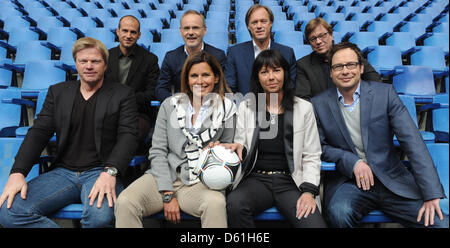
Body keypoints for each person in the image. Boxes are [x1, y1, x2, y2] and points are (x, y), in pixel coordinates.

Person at [0, 37, 139, 228]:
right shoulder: (58, 92)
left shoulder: (122, 94)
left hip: (100, 171)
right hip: (62, 173)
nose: (89, 66)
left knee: (99, 218)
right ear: (76, 64)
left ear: (105, 65)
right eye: (83, 61)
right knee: (10, 212)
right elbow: (38, 133)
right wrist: (18, 172)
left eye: (95, 61)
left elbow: (128, 135)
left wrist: (110, 171)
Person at [311, 42, 448, 228]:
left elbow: (413, 143)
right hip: (349, 183)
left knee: (440, 223)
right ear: (331, 72)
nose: (345, 71)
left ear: (360, 68)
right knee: (339, 214)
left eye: (350, 65)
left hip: (392, 180)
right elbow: (320, 147)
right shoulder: (318, 104)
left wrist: (431, 193)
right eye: (338, 67)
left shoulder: (385, 94)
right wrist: (351, 161)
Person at [115, 51, 236, 228]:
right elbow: (158, 151)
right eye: (194, 75)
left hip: (201, 182)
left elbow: (227, 148)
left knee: (215, 204)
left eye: (206, 75)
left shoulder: (227, 108)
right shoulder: (169, 105)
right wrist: (167, 193)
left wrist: (218, 149)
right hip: (164, 176)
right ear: (187, 79)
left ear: (216, 78)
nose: (200, 81)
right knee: (126, 201)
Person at [223, 49, 327, 228]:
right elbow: (242, 144)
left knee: (314, 225)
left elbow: (311, 154)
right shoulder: (247, 107)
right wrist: (238, 148)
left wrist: (309, 192)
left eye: (276, 70)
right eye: (264, 72)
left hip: (291, 182)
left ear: (285, 74)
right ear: (258, 78)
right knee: (235, 204)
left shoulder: (303, 108)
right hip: (256, 180)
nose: (271, 77)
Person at [105, 15, 160, 154]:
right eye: (125, 31)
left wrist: (125, 101)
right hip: (109, 112)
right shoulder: (106, 57)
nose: (128, 35)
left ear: (139, 35)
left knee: (128, 134)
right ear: (118, 32)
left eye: (133, 32)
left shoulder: (150, 59)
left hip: (138, 113)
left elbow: (152, 92)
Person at [296, 18, 381, 100]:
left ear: (331, 35)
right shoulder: (302, 65)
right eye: (313, 39)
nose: (318, 41)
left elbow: (375, 82)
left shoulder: (350, 53)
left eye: (322, 35)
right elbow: (303, 100)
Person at [155, 10, 227, 102]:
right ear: (181, 31)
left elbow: (223, 87)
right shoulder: (171, 57)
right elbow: (161, 89)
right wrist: (176, 103)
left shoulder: (218, 56)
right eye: (186, 28)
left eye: (195, 28)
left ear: (204, 30)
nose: (191, 32)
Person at [225, 4, 296, 95]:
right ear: (248, 27)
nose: (259, 26)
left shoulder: (287, 53)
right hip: (245, 106)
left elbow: (290, 88)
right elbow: (230, 89)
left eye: (263, 21)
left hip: (278, 107)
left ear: (271, 24)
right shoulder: (235, 53)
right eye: (254, 22)